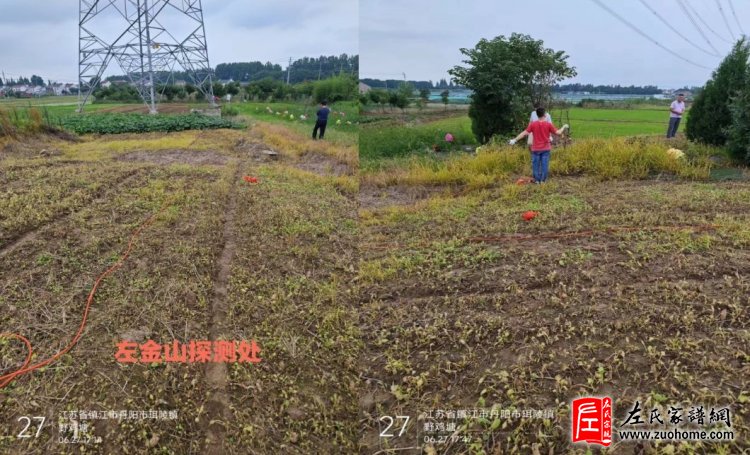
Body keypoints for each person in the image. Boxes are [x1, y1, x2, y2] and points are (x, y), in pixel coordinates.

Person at [509, 107, 569, 183]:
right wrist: (564, 126)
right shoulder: (548, 124)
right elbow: (559, 133)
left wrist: (515, 140)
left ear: (537, 115)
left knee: (535, 165)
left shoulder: (533, 124)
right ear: (544, 115)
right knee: (544, 165)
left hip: (536, 149)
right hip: (545, 149)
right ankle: (543, 181)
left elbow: (524, 133)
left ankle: (537, 180)